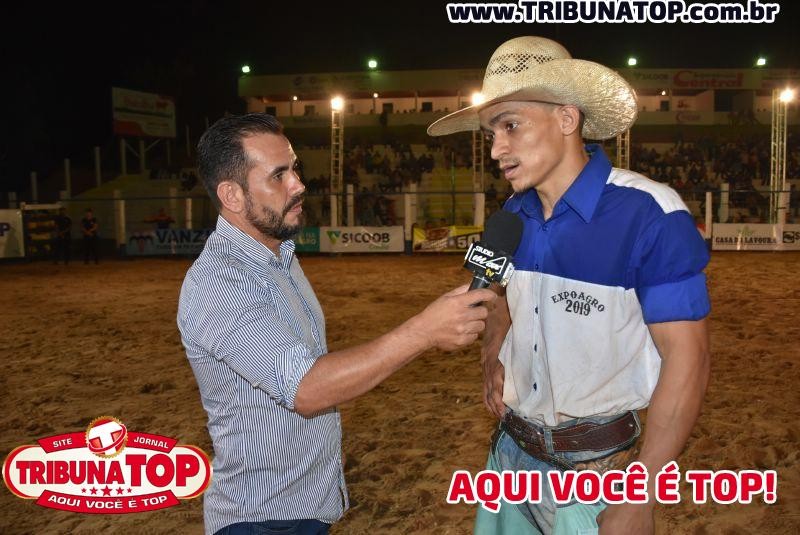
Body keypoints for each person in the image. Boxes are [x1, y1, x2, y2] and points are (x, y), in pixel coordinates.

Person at [428, 36, 711, 535]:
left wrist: (640, 493)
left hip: (600, 472)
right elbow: (493, 297)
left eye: (510, 125)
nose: (496, 149)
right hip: (510, 457)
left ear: (566, 118)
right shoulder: (510, 217)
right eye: (491, 131)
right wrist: (491, 354)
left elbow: (688, 360)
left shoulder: (650, 213)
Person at [177, 113, 494, 535]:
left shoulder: (279, 257)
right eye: (278, 176)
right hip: (262, 521)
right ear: (232, 196)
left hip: (302, 509)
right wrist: (423, 331)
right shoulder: (220, 282)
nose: (299, 184)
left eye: (295, 169)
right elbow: (307, 389)